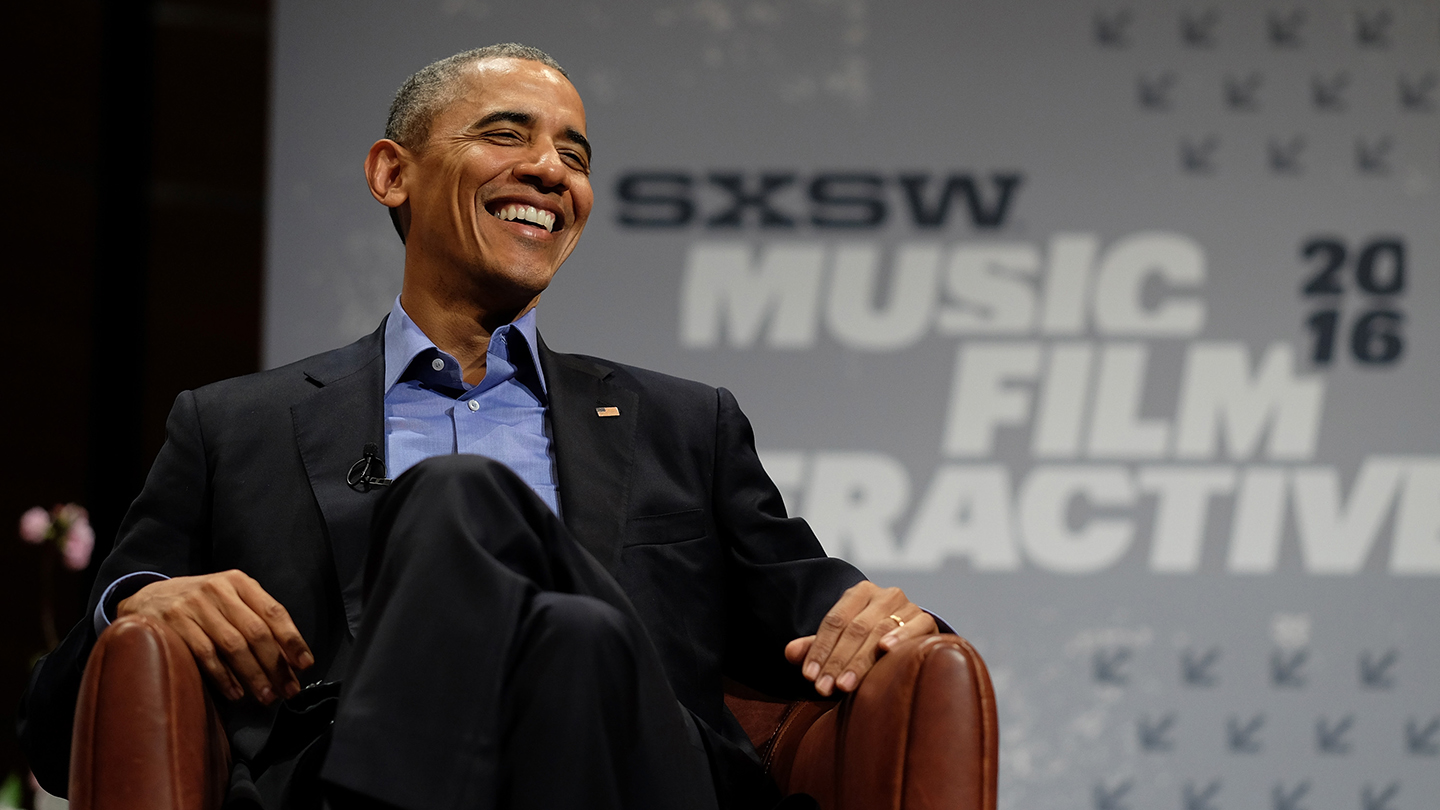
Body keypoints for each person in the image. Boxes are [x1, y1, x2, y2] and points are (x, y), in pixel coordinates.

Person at [19, 43, 941, 810]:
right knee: (569, 634)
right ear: (393, 174)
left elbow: (823, 602)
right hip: (329, 776)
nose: (551, 169)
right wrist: (131, 601)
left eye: (575, 156)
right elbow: (58, 736)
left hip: (633, 774)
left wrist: (900, 620)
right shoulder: (234, 427)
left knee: (470, 511)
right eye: (508, 135)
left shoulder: (683, 424)